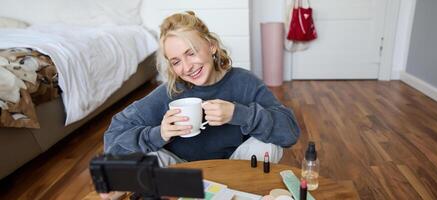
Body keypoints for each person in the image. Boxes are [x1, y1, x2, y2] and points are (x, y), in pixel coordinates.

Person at [103, 11, 300, 167]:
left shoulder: (244, 82)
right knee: (149, 155)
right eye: (176, 61)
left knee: (268, 143)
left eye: (191, 53)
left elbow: (289, 132)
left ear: (211, 46)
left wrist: (240, 114)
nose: (187, 67)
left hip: (235, 167)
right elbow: (113, 141)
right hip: (184, 173)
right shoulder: (170, 92)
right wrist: (158, 134)